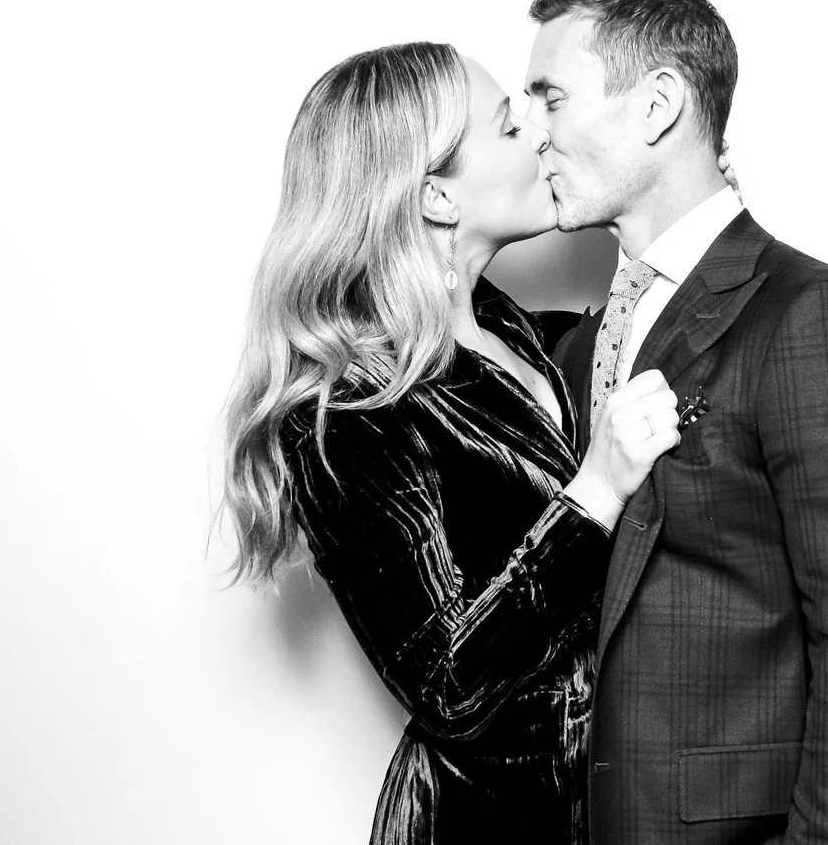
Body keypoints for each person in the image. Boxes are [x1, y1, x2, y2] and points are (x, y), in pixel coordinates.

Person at [524, 0, 828, 844]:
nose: (536, 134)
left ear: (658, 105)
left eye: (553, 98)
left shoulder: (820, 315)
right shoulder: (574, 349)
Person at [217, 41, 686, 844]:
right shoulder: (345, 415)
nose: (539, 137)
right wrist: (596, 493)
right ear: (436, 194)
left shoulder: (524, 333)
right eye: (508, 128)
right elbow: (447, 684)